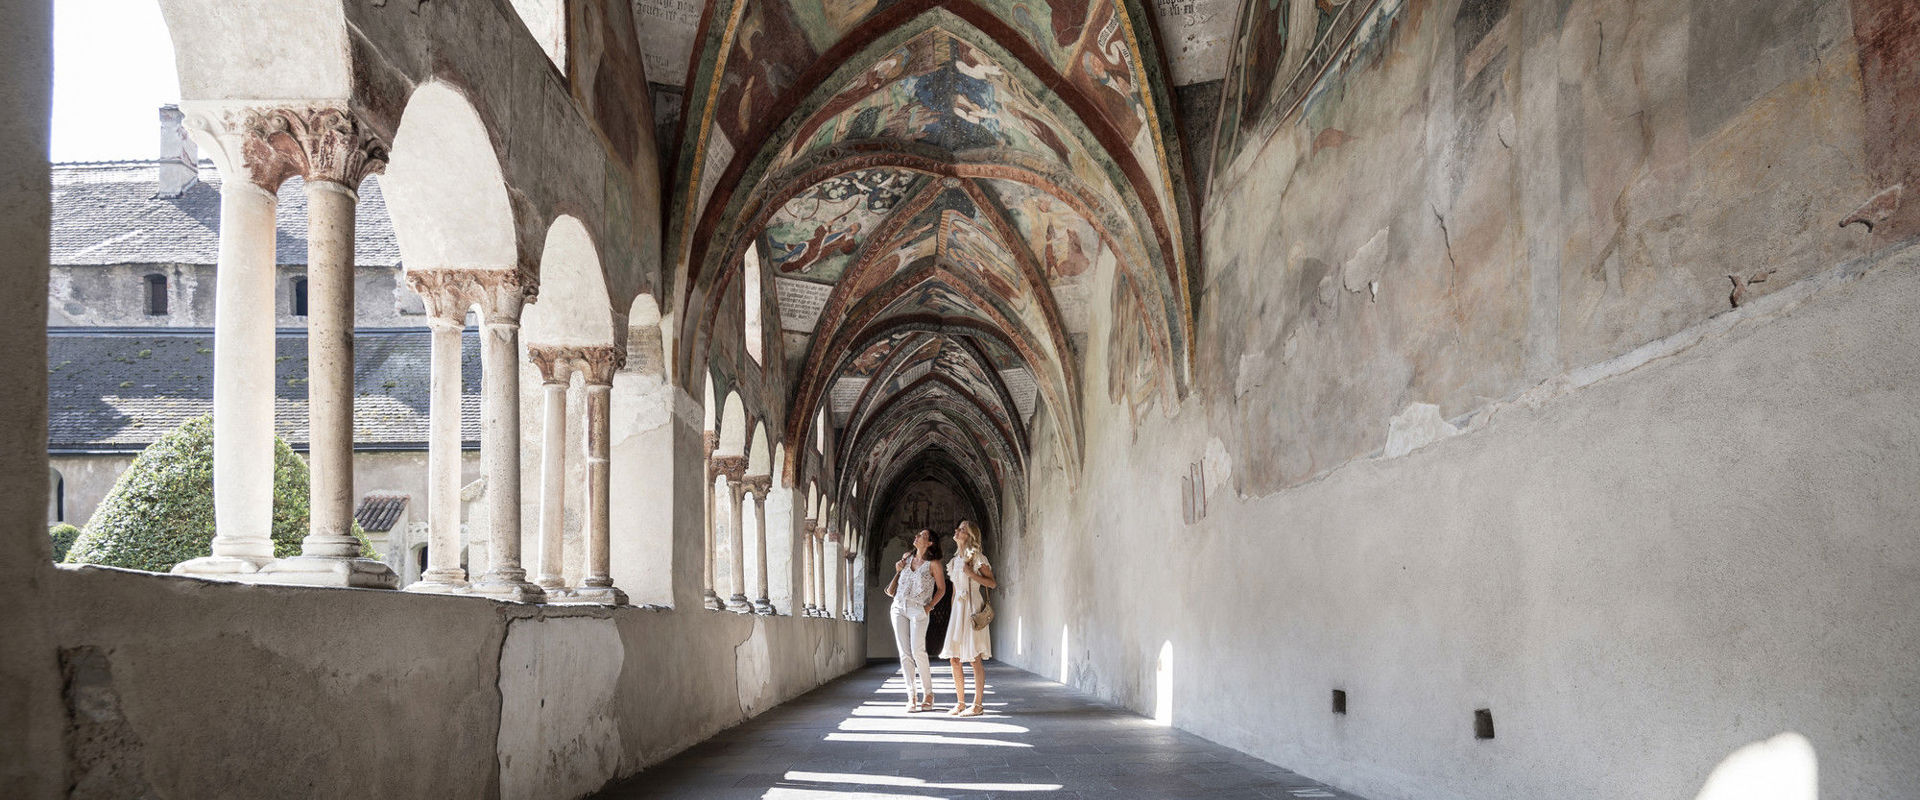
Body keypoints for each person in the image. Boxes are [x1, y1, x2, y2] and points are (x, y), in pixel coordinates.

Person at [885, 529, 945, 712]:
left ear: (930, 543)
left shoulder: (933, 564)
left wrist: (929, 607)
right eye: (917, 534)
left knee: (918, 651)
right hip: (898, 606)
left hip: (918, 609)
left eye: (922, 536)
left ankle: (929, 694)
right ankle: (911, 696)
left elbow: (941, 590)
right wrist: (898, 568)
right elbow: (899, 579)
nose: (917, 536)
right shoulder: (906, 558)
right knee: (904, 653)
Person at [941, 520, 996, 716]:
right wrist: (952, 617)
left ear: (970, 535)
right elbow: (954, 592)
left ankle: (978, 705)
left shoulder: (977, 558)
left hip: (973, 608)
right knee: (954, 659)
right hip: (958, 611)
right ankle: (960, 702)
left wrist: (971, 573)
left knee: (974, 659)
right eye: (958, 528)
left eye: (962, 529)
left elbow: (992, 583)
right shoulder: (954, 561)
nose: (957, 530)